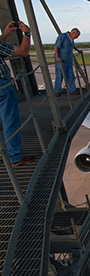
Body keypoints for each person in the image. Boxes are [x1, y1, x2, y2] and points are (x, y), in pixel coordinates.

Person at [0, 20, 35, 167]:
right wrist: (27, 33)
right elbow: (23, 52)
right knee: (10, 121)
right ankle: (15, 156)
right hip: (2, 87)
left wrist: (6, 34)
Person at [54, 28, 82, 96]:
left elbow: (71, 46)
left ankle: (72, 90)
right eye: (76, 36)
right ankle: (57, 90)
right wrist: (57, 57)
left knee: (70, 74)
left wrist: (77, 50)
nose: (76, 38)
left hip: (69, 59)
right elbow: (56, 46)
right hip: (61, 59)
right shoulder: (62, 36)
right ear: (72, 33)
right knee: (60, 75)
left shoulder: (71, 39)